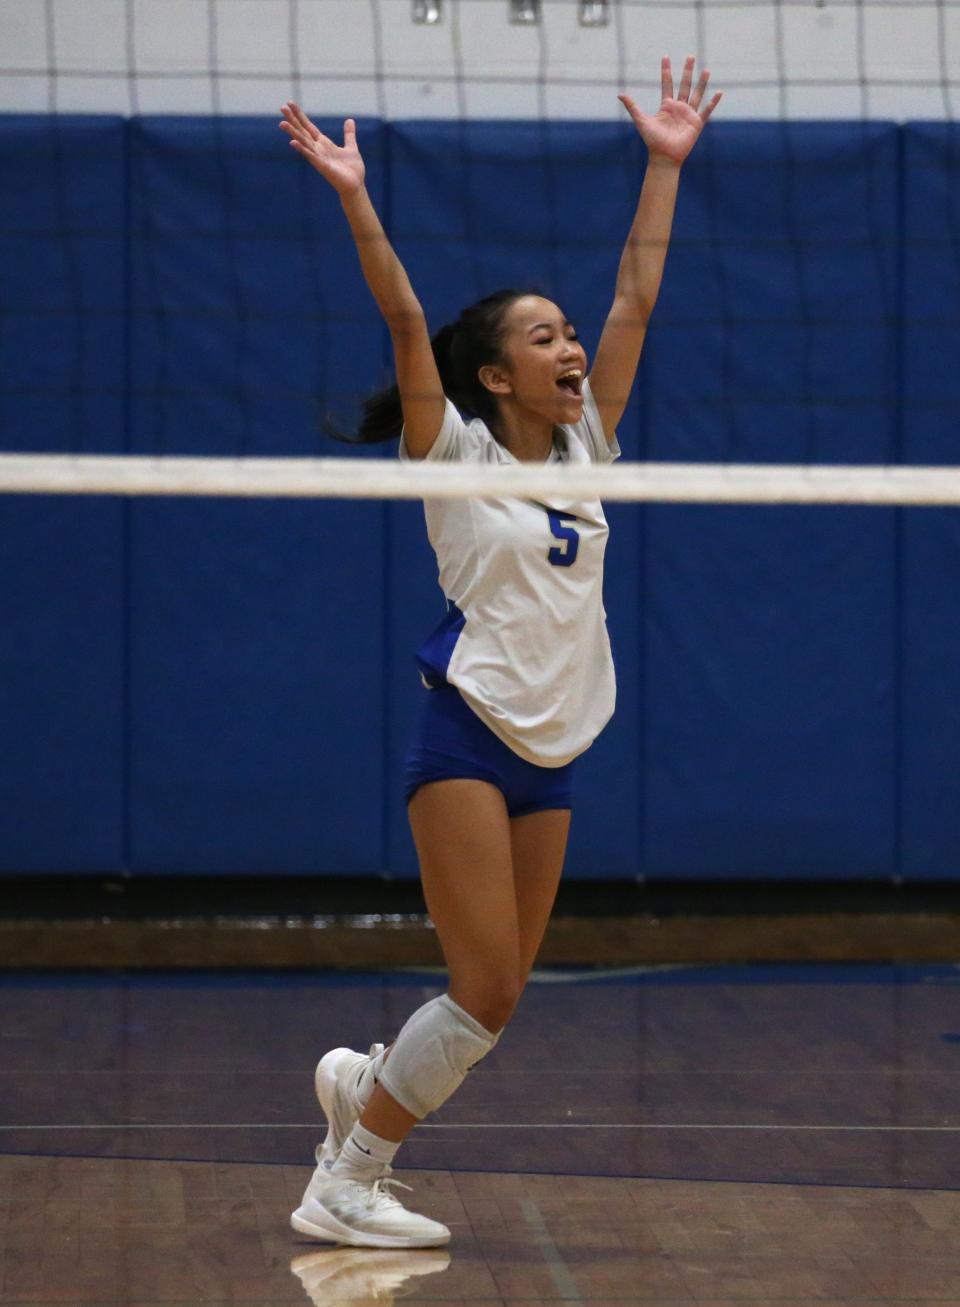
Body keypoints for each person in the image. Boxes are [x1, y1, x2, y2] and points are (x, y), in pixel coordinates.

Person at [280, 55, 721, 1250]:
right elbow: (403, 317)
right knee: (481, 985)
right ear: (494, 376)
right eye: (544, 336)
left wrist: (663, 168)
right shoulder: (456, 457)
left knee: (497, 1001)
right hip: (469, 734)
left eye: (567, 332)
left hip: (557, 745)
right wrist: (356, 197)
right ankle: (348, 1176)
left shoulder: (590, 446)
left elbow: (636, 297)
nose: (572, 343)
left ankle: (363, 1087)